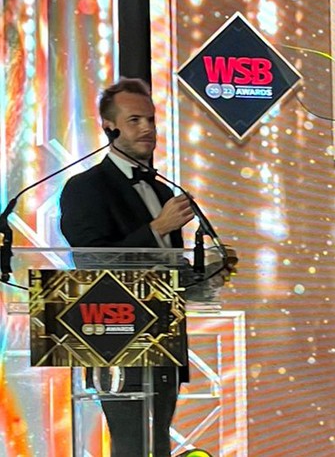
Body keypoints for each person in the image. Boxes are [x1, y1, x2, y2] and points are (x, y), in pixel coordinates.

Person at [59, 77, 233, 456]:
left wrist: (206, 274)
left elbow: (163, 271)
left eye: (151, 120)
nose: (147, 129)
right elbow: (92, 260)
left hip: (164, 338)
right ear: (110, 127)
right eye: (135, 120)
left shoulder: (162, 190)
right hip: (115, 337)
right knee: (132, 445)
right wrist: (157, 228)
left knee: (157, 446)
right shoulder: (85, 187)